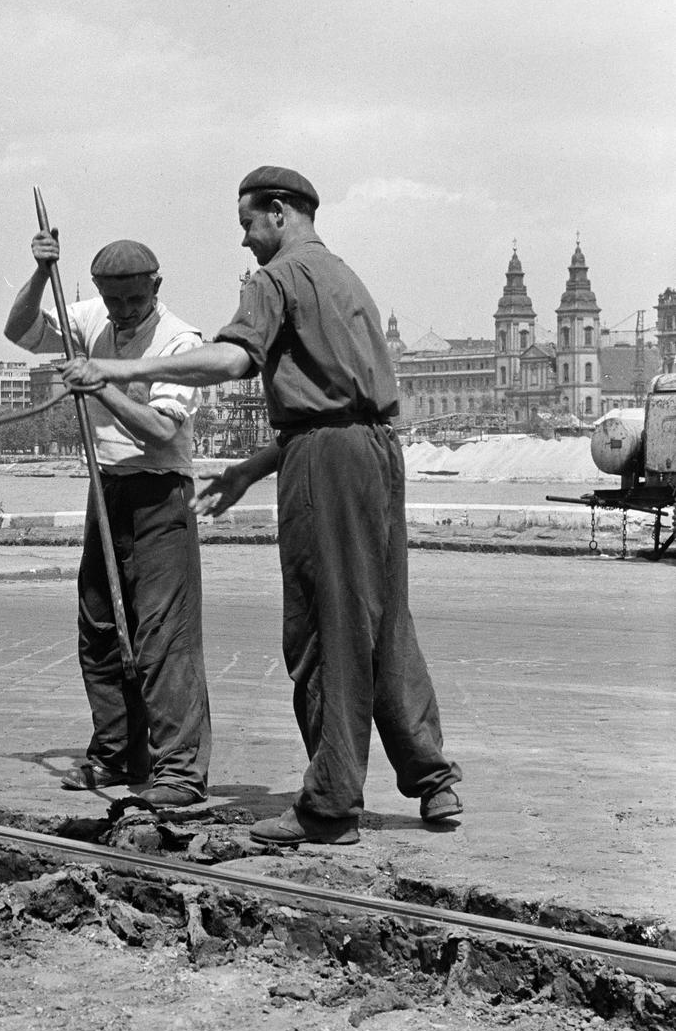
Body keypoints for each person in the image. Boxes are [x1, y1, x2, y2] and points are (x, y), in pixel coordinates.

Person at [59, 165, 462, 846]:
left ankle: (330, 806)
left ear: (278, 211)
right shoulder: (345, 278)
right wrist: (253, 467)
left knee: (324, 629)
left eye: (248, 223)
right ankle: (433, 779)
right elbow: (345, 402)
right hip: (374, 455)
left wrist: (118, 370)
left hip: (323, 462)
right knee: (384, 618)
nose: (245, 240)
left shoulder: (275, 279)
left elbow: (229, 362)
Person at [4, 232, 211, 808]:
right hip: (106, 487)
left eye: (134, 300)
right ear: (99, 290)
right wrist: (40, 272)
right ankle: (117, 755)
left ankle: (180, 771)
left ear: (156, 287)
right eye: (113, 300)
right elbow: (19, 331)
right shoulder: (91, 316)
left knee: (163, 636)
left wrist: (101, 382)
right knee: (99, 627)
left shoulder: (178, 339)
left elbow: (162, 430)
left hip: (160, 492)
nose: (122, 312)